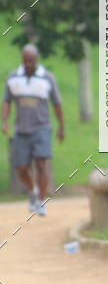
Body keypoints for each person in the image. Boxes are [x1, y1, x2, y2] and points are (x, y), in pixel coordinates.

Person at [2, 44, 65, 215]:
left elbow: (57, 103)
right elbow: (7, 101)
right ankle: (33, 191)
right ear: (22, 60)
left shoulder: (47, 78)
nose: (29, 64)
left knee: (41, 164)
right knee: (21, 167)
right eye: (26, 60)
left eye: (32, 61)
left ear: (36, 60)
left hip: (42, 128)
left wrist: (61, 127)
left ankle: (40, 201)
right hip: (21, 129)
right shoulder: (13, 78)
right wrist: (5, 121)